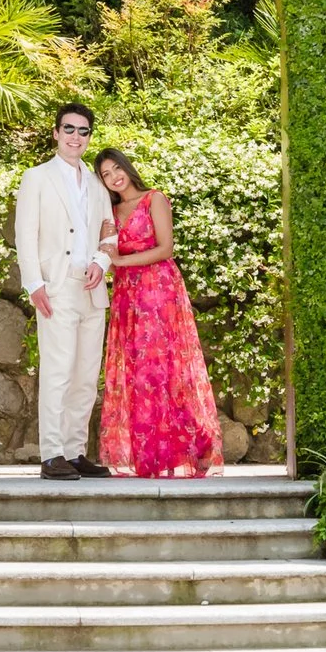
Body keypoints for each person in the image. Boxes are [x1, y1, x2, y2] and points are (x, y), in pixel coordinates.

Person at [93, 147, 224, 479]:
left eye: (116, 169)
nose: (114, 177)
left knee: (163, 370)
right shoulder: (109, 210)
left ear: (127, 167)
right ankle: (148, 456)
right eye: (105, 175)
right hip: (127, 297)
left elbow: (166, 248)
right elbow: (104, 249)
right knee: (137, 373)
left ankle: (191, 448)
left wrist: (120, 262)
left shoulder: (155, 199)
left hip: (158, 290)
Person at [14, 102, 116, 481]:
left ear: (89, 137)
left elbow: (109, 229)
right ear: (56, 133)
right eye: (69, 129)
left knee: (86, 375)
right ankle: (51, 454)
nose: (76, 136)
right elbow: (25, 234)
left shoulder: (95, 183)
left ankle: (75, 452)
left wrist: (101, 263)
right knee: (57, 371)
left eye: (83, 131)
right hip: (55, 288)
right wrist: (34, 284)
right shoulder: (36, 178)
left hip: (91, 289)